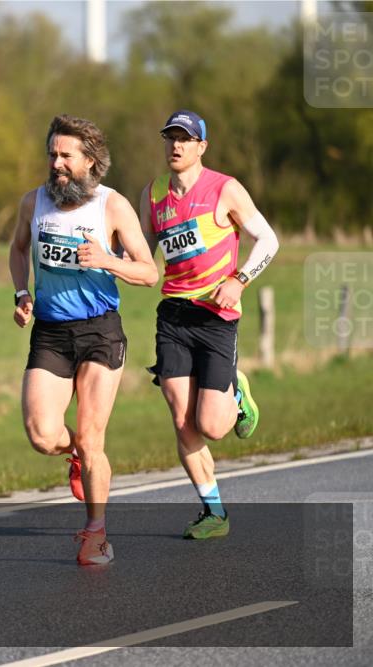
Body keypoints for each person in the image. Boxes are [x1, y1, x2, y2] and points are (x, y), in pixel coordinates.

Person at [9, 114, 158, 565]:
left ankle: (97, 533)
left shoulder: (112, 207)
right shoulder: (33, 203)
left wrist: (106, 261)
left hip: (99, 331)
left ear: (90, 161)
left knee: (94, 439)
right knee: (41, 433)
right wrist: (21, 292)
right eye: (52, 153)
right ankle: (76, 455)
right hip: (51, 333)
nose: (55, 162)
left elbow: (149, 272)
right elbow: (18, 250)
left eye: (65, 155)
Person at [140, 110, 279, 539]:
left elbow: (269, 240)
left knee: (214, 427)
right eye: (170, 138)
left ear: (202, 146)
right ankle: (214, 512)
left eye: (185, 139)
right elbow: (143, 256)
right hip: (174, 317)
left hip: (217, 317)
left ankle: (236, 391)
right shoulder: (153, 194)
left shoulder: (225, 189)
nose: (176, 146)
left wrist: (239, 280)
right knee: (182, 418)